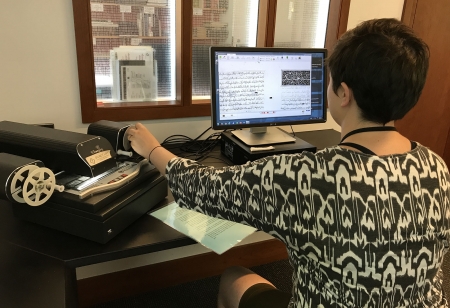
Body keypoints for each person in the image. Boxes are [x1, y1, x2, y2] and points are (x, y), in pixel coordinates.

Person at [127, 18, 450, 308]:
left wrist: (153, 148)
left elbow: (201, 188)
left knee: (233, 277)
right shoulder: (436, 167)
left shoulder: (306, 176)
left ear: (344, 93)